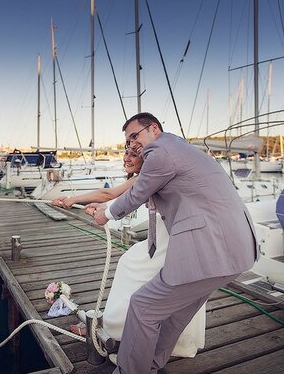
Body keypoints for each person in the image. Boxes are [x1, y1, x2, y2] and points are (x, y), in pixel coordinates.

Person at [87, 112, 257, 374]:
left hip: (210, 250)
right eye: (128, 140)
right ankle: (151, 365)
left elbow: (139, 190)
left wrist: (107, 213)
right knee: (176, 315)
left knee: (143, 306)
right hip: (231, 251)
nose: (132, 144)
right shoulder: (178, 148)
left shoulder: (161, 150)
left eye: (135, 136)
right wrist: (106, 204)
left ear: (153, 128)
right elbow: (139, 191)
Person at [52, 147, 205, 358]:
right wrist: (93, 204)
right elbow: (118, 198)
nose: (127, 158)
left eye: (134, 155)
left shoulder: (151, 175)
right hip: (170, 233)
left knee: (130, 265)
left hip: (171, 237)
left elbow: (110, 194)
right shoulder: (149, 177)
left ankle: (115, 328)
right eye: (126, 153)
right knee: (144, 272)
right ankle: (137, 329)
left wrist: (71, 199)